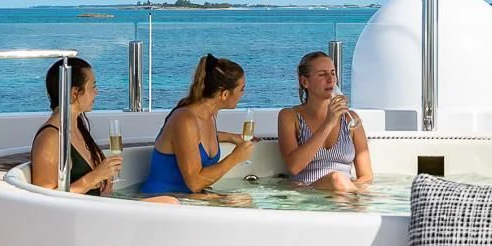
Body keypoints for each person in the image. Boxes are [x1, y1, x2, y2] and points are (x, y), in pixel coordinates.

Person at [137, 54, 255, 195]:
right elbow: (195, 183)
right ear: (224, 94)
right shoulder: (184, 120)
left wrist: (231, 137)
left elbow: (195, 139)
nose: (243, 93)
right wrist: (235, 158)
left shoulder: (210, 115)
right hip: (161, 202)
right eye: (242, 89)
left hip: (186, 199)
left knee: (246, 199)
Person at [278, 50, 373, 191]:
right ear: (305, 82)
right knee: (337, 178)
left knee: (339, 180)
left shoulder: (350, 118)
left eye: (333, 73)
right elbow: (294, 167)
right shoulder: (289, 116)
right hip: (307, 194)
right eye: (322, 74)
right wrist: (329, 122)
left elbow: (366, 176)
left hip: (345, 194)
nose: (331, 80)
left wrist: (348, 188)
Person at [30, 57, 123, 194]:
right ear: (74, 93)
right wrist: (94, 177)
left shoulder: (77, 127)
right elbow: (45, 198)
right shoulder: (50, 138)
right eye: (93, 87)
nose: (96, 92)